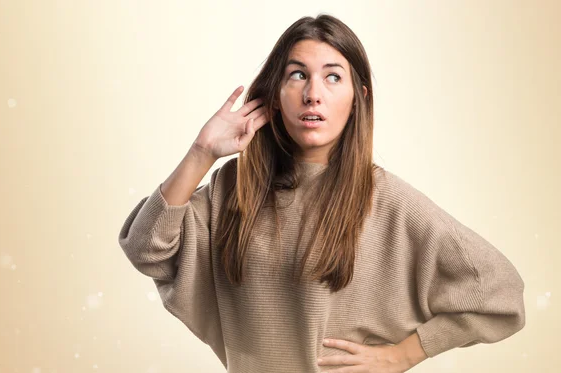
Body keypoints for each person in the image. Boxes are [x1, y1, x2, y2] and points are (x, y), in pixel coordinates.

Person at [118, 14, 525, 373]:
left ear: (358, 98)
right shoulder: (234, 188)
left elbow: (500, 291)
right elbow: (146, 249)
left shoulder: (386, 200)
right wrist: (201, 153)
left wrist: (401, 355)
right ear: (275, 95)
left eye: (333, 76)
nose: (314, 93)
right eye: (298, 75)